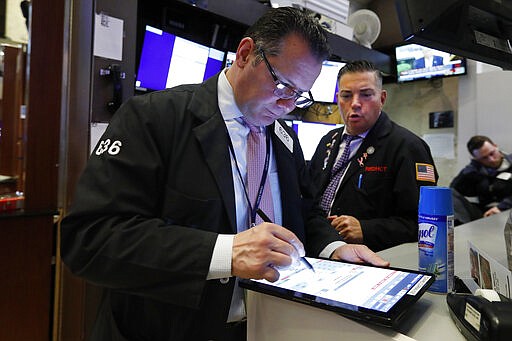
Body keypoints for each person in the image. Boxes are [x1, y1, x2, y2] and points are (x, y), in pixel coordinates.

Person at [60, 8, 389, 341]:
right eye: (282, 85)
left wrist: (333, 247)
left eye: (298, 95)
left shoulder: (283, 138)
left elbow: (303, 213)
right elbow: (90, 239)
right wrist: (224, 253)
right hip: (170, 328)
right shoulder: (155, 118)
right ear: (245, 54)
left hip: (267, 325)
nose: (287, 105)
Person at [309, 60, 438, 252]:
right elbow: (309, 198)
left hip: (372, 259)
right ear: (338, 98)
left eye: (366, 94)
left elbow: (423, 224)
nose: (355, 103)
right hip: (320, 248)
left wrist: (366, 229)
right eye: (346, 95)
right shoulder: (328, 140)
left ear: (382, 98)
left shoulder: (407, 147)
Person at [450, 135, 512, 222]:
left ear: (495, 146)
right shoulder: (477, 170)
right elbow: (455, 188)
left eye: (492, 153)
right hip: (485, 211)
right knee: (450, 194)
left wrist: (502, 207)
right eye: (484, 158)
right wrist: (473, 166)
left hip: (508, 208)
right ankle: (458, 228)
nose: (491, 160)